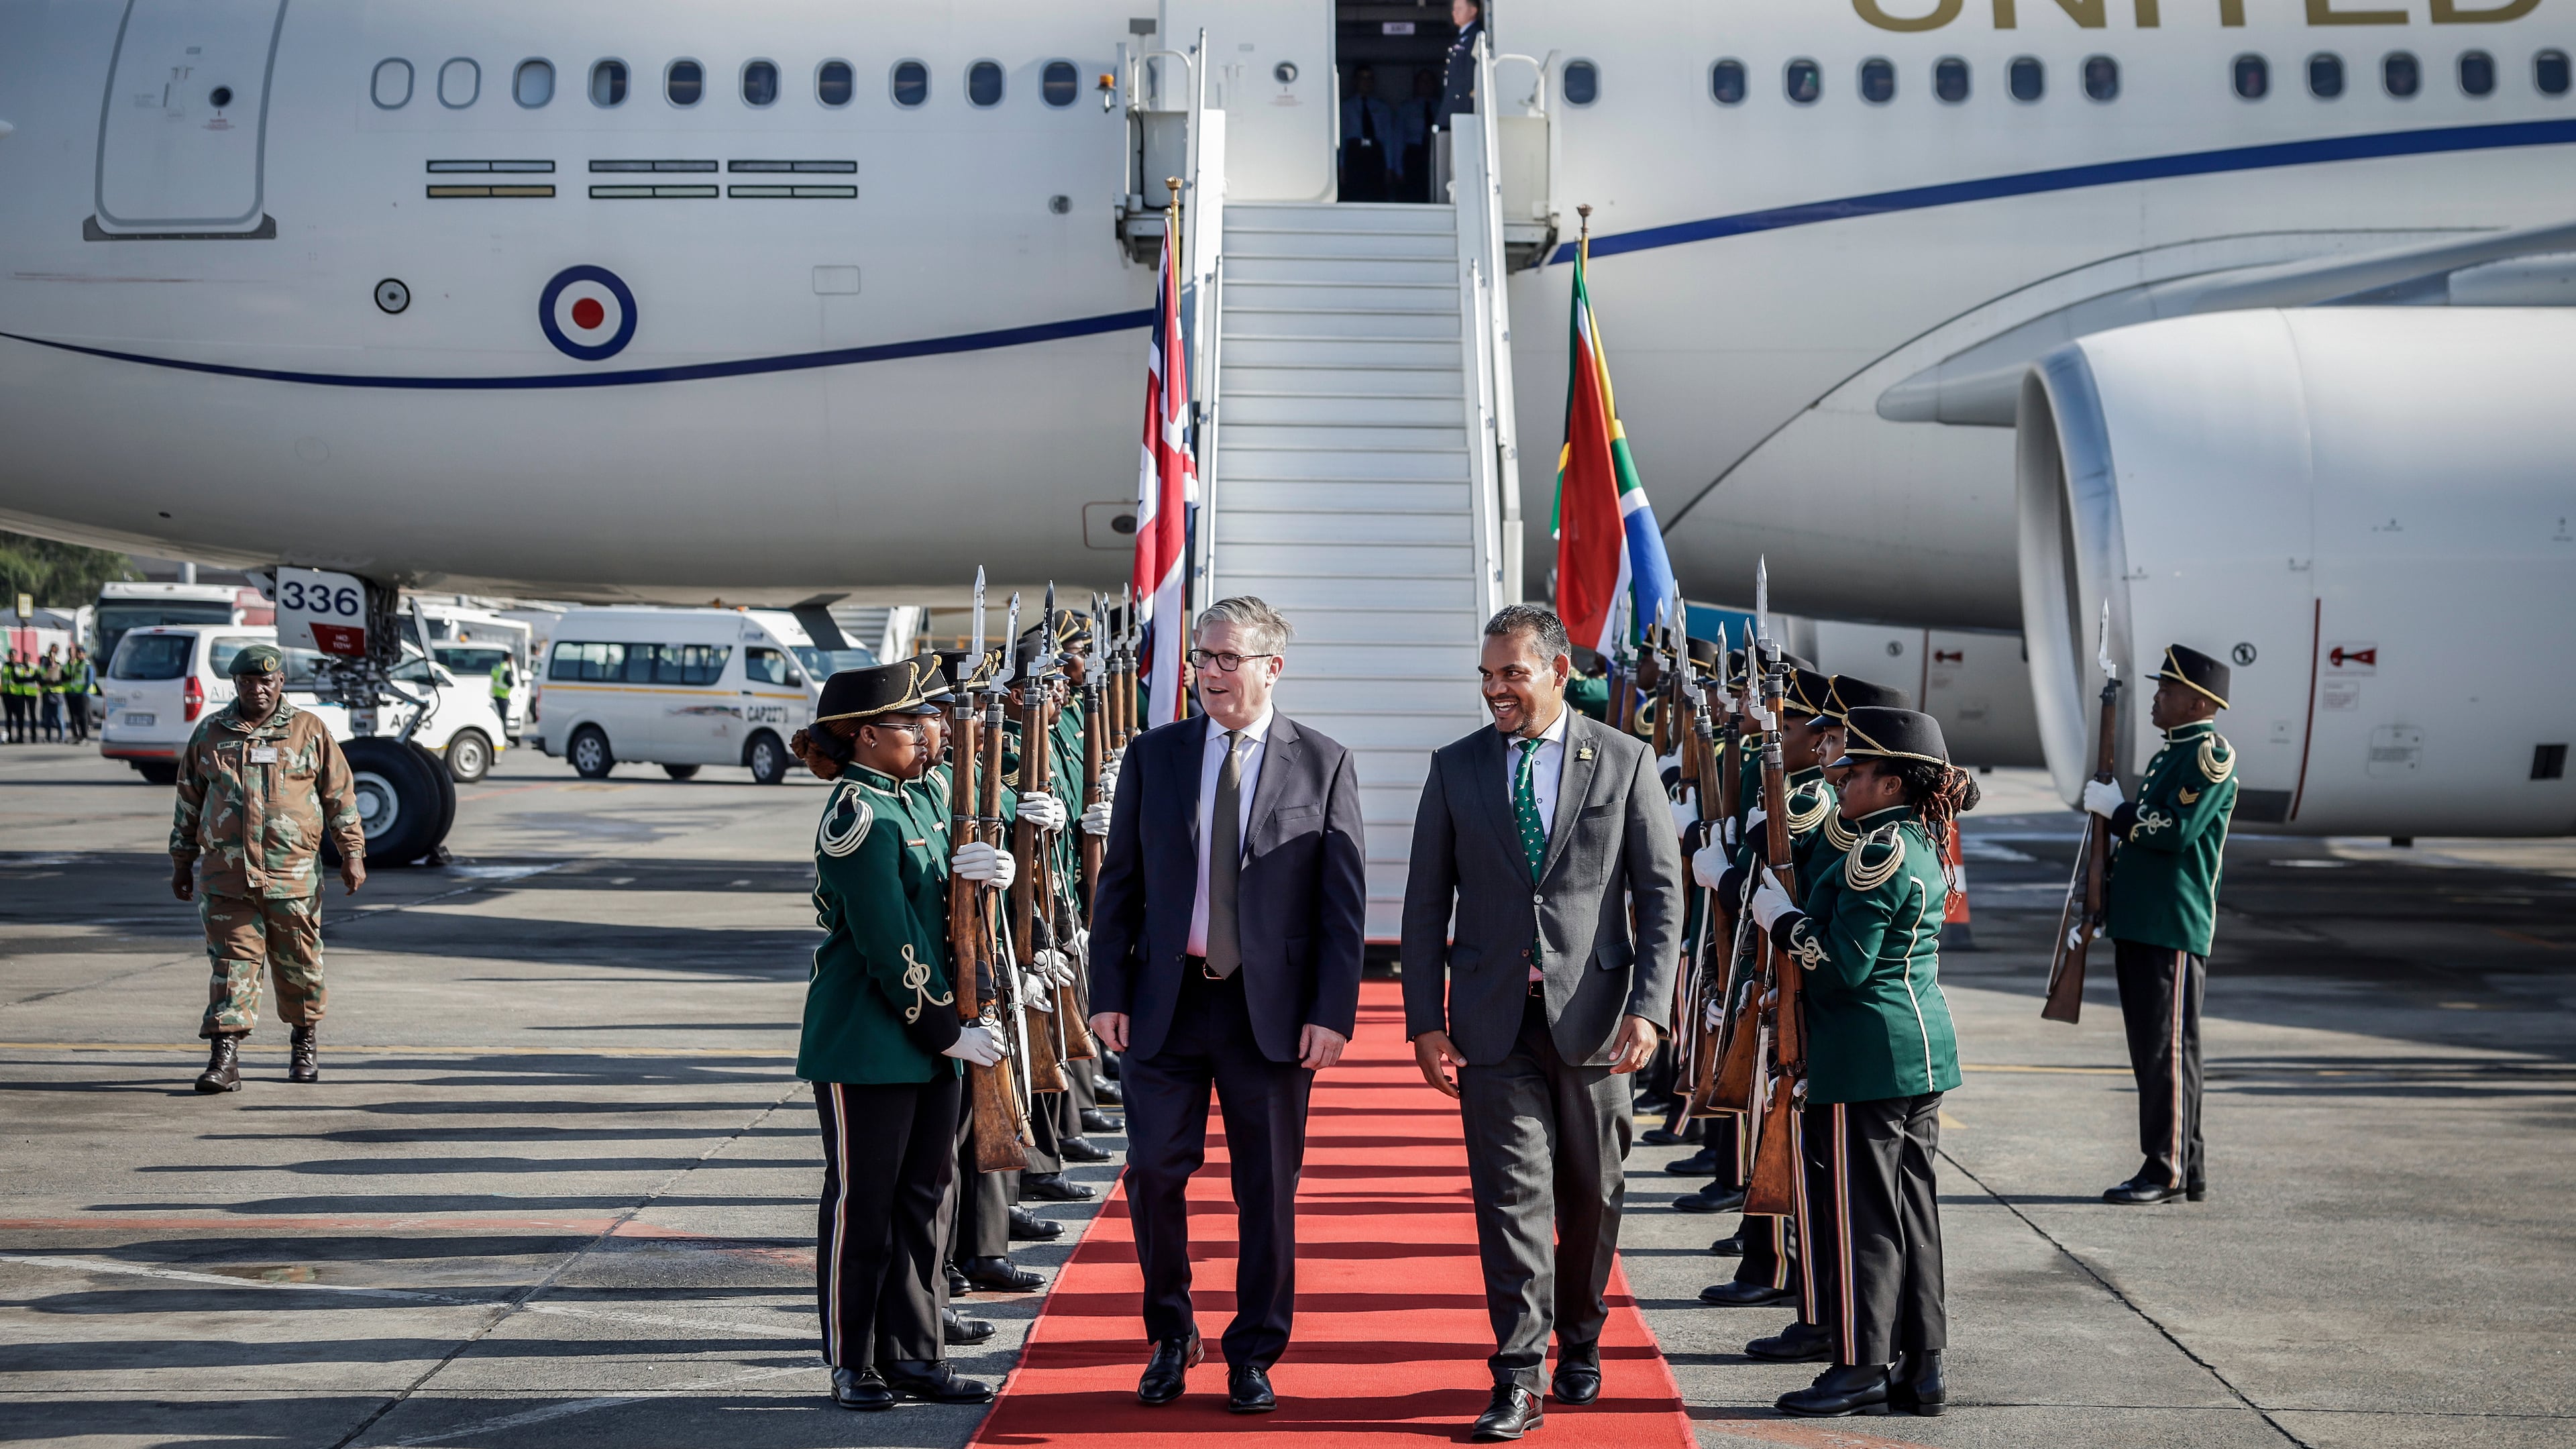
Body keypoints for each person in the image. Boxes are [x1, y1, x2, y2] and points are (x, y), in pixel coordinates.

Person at [1401, 602, 1683, 1442]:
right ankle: (1517, 1376)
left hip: (1596, 1021)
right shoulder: (1456, 768)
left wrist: (1651, 1007)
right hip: (1492, 1025)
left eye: (1511, 674)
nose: (1495, 691)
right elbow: (1424, 907)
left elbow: (1662, 895)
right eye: (1487, 676)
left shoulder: (1626, 761)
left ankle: (1583, 1336)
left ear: (1559, 672)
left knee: (1592, 1196)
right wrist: (1425, 1019)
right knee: (1511, 1202)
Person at [1087, 596, 1368, 1415]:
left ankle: (1254, 1349)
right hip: (1165, 1005)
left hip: (1268, 1013)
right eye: (1201, 659)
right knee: (1152, 1176)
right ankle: (1172, 1333)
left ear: (1271, 667)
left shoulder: (1323, 762)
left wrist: (1332, 1012)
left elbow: (1340, 911)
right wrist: (1107, 991)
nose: (1208, 673)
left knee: (1267, 1190)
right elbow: (1121, 888)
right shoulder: (1156, 755)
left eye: (1225, 660)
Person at [786, 659, 1007, 1411]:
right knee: (865, 1203)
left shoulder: (919, 799)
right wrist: (948, 1029)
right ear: (869, 736)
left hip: (932, 1033)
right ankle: (854, 1360)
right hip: (872, 1038)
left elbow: (947, 916)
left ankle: (914, 1354)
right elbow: (888, 941)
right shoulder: (857, 813)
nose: (927, 732)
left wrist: (990, 872)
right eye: (913, 724)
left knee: (924, 1197)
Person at [1744, 706, 1970, 1417]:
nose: (1841, 782)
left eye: (1857, 773)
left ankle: (1861, 1365)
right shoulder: (1916, 839)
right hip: (1914, 1050)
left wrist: (1781, 920)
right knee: (1912, 1213)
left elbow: (1843, 966)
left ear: (1892, 782)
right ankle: (1922, 1368)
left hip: (1868, 1054)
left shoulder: (1879, 852)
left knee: (1862, 1217)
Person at [170, 644, 366, 1093]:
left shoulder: (308, 731)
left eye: (265, 681)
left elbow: (340, 796)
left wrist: (352, 853)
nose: (257, 690)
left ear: (281, 683)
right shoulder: (211, 733)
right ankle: (225, 1056)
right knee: (232, 965)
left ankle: (304, 1044)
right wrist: (181, 861)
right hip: (227, 877)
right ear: (236, 684)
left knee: (299, 964)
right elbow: (189, 801)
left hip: (292, 876)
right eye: (247, 682)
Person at [2084, 644, 2239, 1206]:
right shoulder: (2169, 756)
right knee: (2160, 1050)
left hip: (2170, 925)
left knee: (2164, 1053)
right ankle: (2185, 1165)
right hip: (2144, 922)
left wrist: (2118, 812)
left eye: (2167, 691)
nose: (2157, 698)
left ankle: (2166, 1168)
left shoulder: (2206, 757)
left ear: (2199, 702)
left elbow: (2172, 832)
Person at [1340, 63, 1399, 202]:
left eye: (1369, 78)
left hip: (1375, 153)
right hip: (1354, 152)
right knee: (1354, 193)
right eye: (1362, 78)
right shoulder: (1345, 107)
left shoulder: (1382, 107)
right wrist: (1341, 166)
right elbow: (1341, 137)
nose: (1366, 82)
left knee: (1376, 193)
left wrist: (1389, 166)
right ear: (1355, 81)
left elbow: (1388, 139)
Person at [1439, 0, 1486, 131]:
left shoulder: (1475, 35)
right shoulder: (1463, 37)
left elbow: (1471, 73)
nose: (1455, 13)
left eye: (1459, 9)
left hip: (1463, 106)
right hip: (1454, 105)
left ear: (1473, 11)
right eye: (1454, 9)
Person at [1397, 67, 1440, 203]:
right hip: (1414, 154)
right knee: (1413, 192)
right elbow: (1398, 139)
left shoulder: (1441, 107)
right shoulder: (1406, 108)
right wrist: (1398, 169)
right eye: (1423, 81)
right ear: (1416, 85)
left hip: (1437, 153)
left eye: (1429, 81)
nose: (1426, 84)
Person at [66, 645, 96, 744]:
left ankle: (85, 737)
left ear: (84, 654)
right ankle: (78, 736)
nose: (78, 655)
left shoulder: (87, 665)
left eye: (80, 653)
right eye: (77, 653)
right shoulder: (76, 665)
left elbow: (89, 680)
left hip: (83, 694)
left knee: (83, 716)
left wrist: (83, 691)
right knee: (76, 716)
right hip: (75, 694)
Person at [38, 645, 66, 742]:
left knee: (58, 717)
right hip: (47, 694)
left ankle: (62, 737)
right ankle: (48, 737)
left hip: (57, 695)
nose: (51, 659)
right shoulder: (44, 666)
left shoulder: (60, 665)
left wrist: (55, 681)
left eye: (53, 656)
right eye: (50, 656)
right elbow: (40, 679)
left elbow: (63, 679)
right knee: (48, 718)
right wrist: (46, 681)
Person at [2, 648, 29, 743]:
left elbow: (25, 679)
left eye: (14, 655)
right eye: (11, 655)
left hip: (18, 695)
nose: (12, 657)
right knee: (8, 717)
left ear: (16, 656)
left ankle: (20, 736)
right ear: (9, 656)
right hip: (7, 695)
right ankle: (9, 737)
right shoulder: (5, 666)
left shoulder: (20, 666)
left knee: (20, 717)